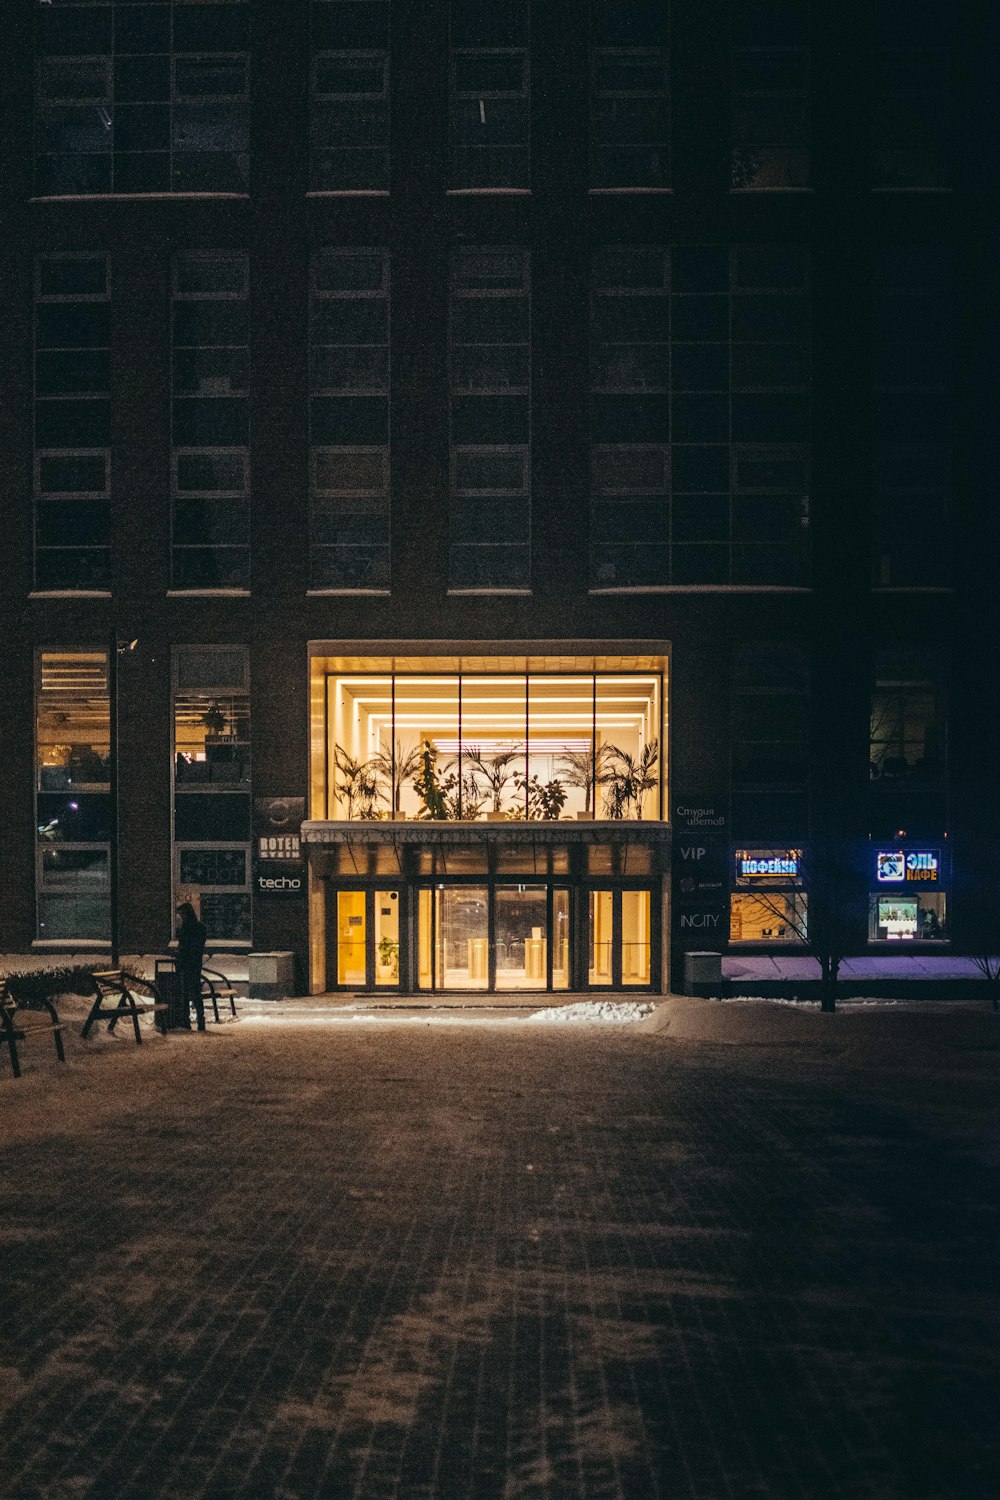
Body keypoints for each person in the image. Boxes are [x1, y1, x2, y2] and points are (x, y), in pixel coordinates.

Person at [176, 901, 207, 1031]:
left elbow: (185, 946)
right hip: (195, 963)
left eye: (182, 914)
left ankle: (186, 1021)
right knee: (195, 993)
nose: (181, 917)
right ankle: (200, 1020)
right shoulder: (200, 927)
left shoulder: (187, 928)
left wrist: (181, 953)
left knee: (185, 993)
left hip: (186, 963)